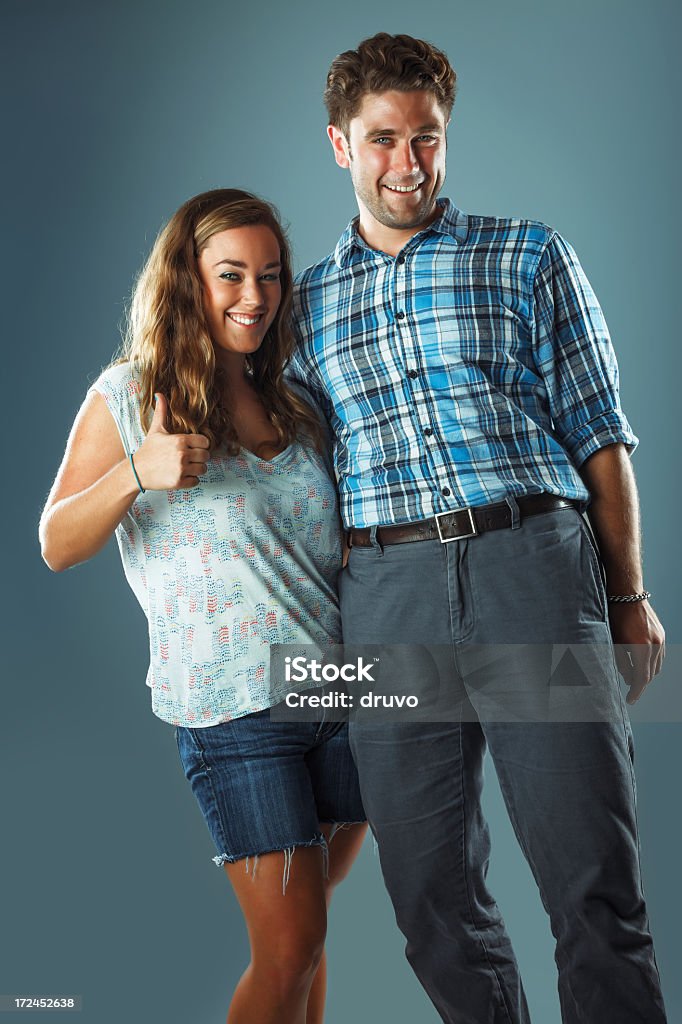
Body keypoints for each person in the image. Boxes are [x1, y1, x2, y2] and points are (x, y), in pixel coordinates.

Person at [287, 32, 668, 1024]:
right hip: (384, 599)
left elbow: (600, 435)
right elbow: (290, 477)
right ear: (339, 144)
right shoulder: (302, 309)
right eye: (382, 141)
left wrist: (627, 598)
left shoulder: (529, 254)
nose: (407, 164)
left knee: (590, 881)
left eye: (427, 139)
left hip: (529, 569)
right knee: (427, 897)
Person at [39, 188, 367, 1024]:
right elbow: (56, 541)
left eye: (269, 276)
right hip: (232, 707)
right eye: (230, 275)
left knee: (309, 942)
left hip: (339, 695)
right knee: (289, 945)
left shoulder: (299, 402)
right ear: (188, 279)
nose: (253, 296)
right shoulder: (127, 394)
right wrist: (135, 474)